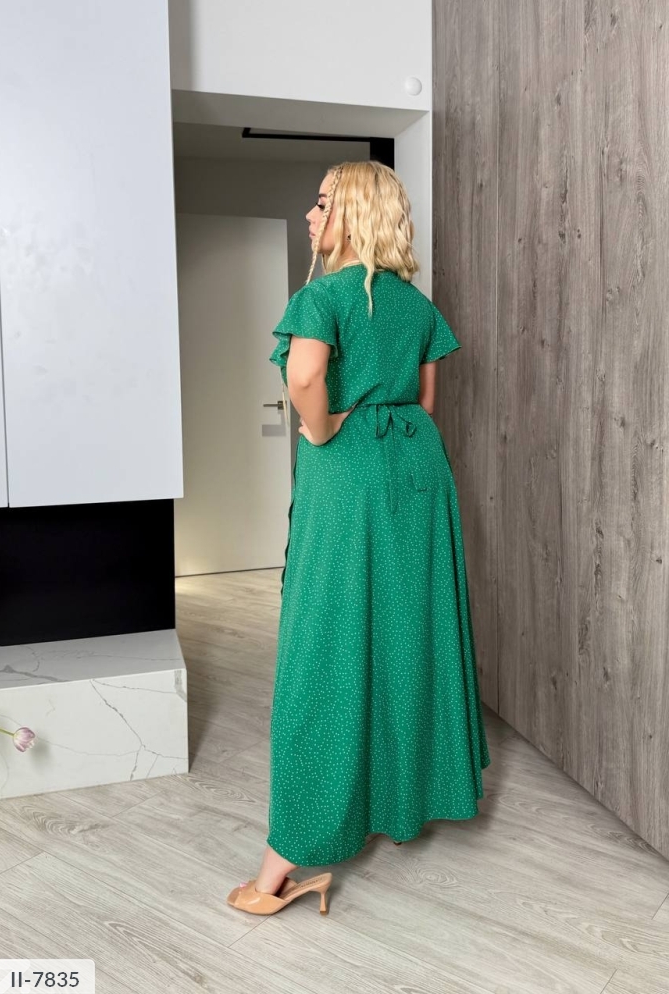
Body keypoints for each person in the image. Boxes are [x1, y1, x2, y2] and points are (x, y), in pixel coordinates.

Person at [227, 160, 491, 917]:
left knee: (325, 644)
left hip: (349, 479)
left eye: (322, 203)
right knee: (409, 631)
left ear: (354, 215)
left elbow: (305, 376)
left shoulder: (323, 296)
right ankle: (399, 801)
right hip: (417, 469)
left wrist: (321, 430)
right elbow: (426, 402)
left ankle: (286, 860)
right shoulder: (416, 305)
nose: (310, 215)